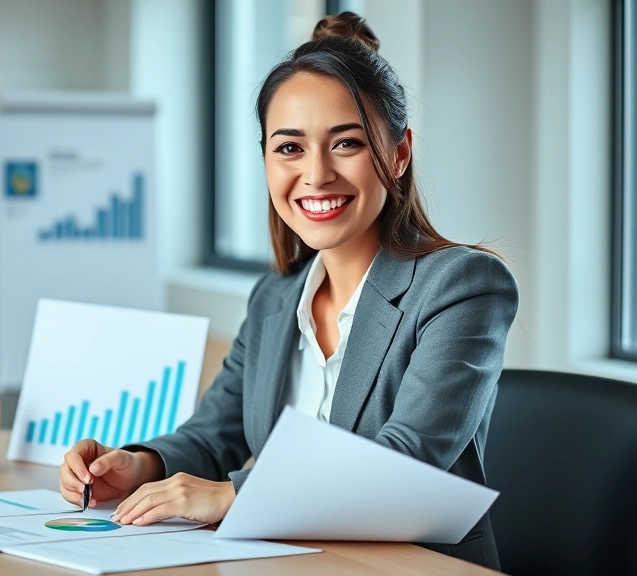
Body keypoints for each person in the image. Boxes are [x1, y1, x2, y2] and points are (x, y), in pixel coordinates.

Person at [58, 11, 518, 571]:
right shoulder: (275, 298)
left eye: (346, 143)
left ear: (398, 155)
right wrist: (138, 465)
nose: (317, 174)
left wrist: (234, 495)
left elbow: (407, 462)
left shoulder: (463, 286)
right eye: (290, 148)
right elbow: (212, 437)